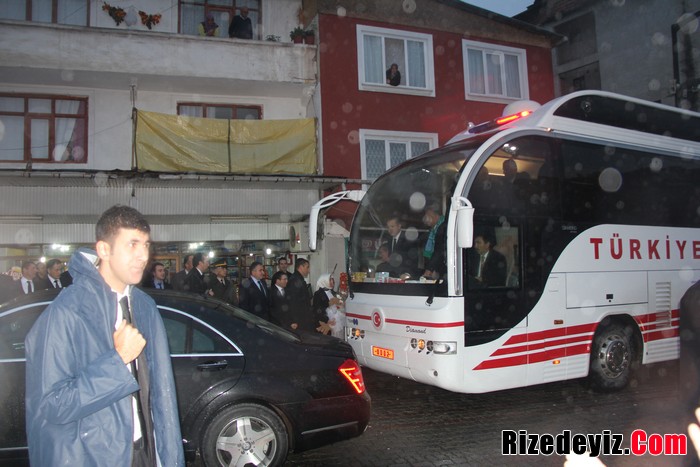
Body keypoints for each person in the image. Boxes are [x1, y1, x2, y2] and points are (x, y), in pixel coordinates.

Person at [24, 204, 184, 467]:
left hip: (145, 452)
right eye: (132, 244)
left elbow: (162, 397)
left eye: (146, 244)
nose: (143, 255)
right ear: (104, 249)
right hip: (94, 456)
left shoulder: (144, 306)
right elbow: (52, 405)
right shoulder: (68, 310)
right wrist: (117, 359)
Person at [286, 258, 315, 332]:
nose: (308, 270)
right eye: (307, 267)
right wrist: (293, 320)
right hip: (299, 320)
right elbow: (292, 302)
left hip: (303, 318)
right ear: (301, 267)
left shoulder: (299, 279)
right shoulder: (295, 280)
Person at [421, 206, 447, 279]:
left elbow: (439, 250)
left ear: (434, 214)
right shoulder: (433, 230)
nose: (426, 218)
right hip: (436, 268)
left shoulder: (443, 228)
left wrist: (429, 269)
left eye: (428, 215)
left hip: (443, 269)